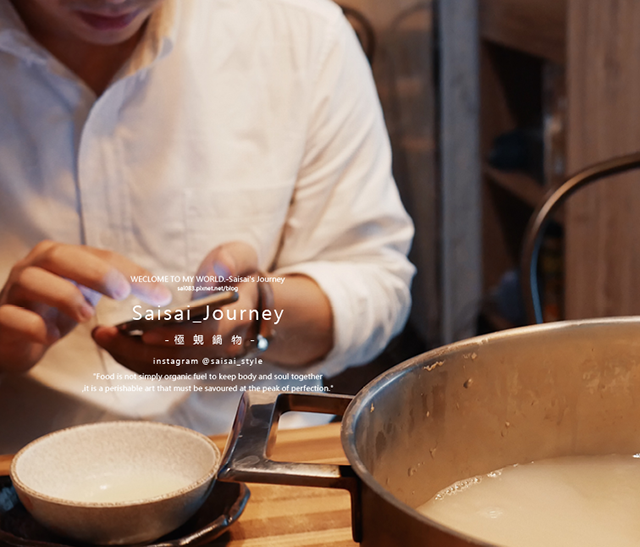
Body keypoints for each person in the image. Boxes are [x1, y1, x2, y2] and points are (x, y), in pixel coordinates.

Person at [0, 0, 415, 451]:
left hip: (254, 458)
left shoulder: (301, 32)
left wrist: (259, 314)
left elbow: (376, 283)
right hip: (19, 468)